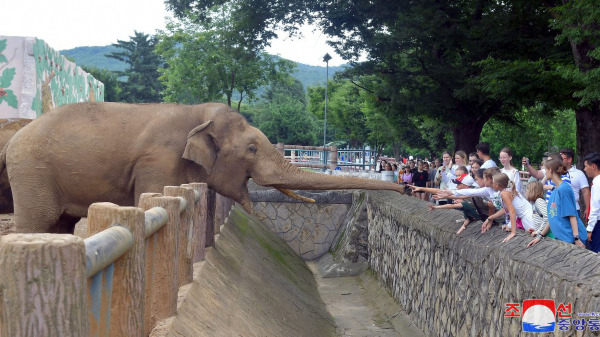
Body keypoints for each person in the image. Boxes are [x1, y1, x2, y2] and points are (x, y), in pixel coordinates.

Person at [527, 158, 587, 248]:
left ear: (550, 170)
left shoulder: (564, 189)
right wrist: (540, 236)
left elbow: (572, 216)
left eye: (545, 170)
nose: (544, 172)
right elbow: (552, 217)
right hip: (563, 239)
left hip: (571, 240)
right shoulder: (555, 190)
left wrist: (576, 239)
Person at [480, 173, 534, 243]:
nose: (492, 183)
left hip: (528, 218)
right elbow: (504, 210)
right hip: (529, 214)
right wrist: (489, 218)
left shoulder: (504, 193)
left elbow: (512, 211)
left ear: (497, 184)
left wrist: (513, 232)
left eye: (493, 182)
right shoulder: (509, 189)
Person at [559, 148, 590, 217]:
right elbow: (537, 174)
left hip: (573, 209)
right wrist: (528, 165)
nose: (559, 160)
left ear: (569, 160)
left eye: (561, 158)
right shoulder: (555, 172)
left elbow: (585, 191)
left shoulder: (579, 173)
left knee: (574, 228)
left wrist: (588, 208)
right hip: (557, 209)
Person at [583, 152, 600, 252]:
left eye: (586, 166)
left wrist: (589, 229)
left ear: (593, 166)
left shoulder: (597, 184)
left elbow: (595, 208)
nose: (585, 169)